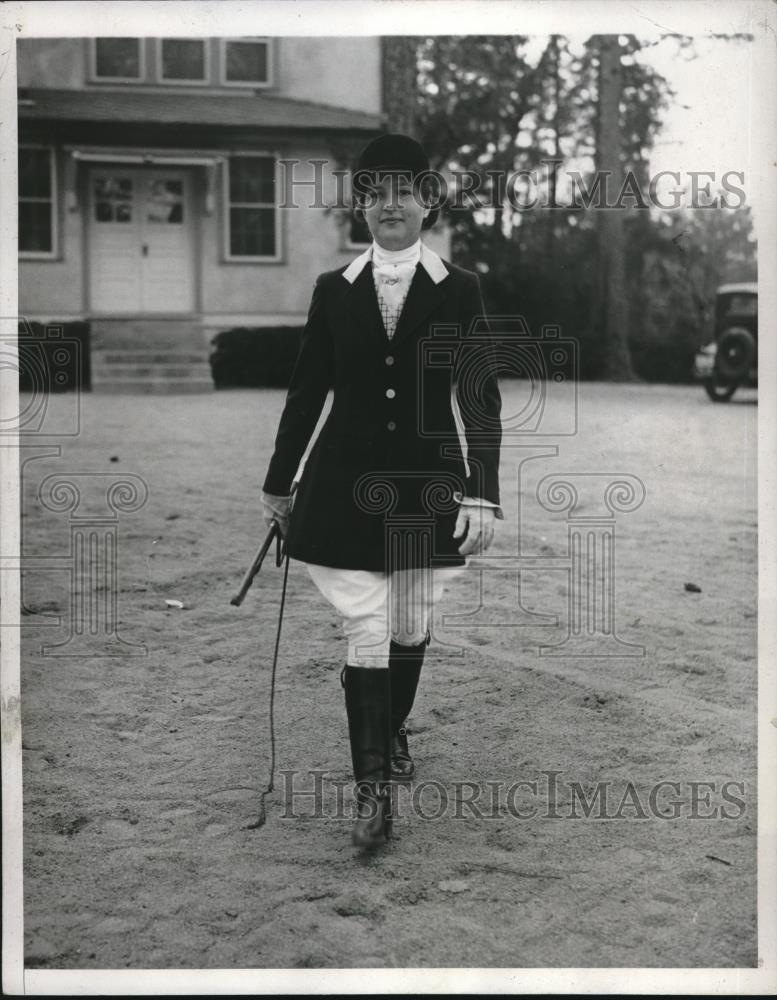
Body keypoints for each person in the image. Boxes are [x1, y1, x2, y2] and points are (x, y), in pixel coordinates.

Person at [261, 133, 502, 849]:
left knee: (408, 621)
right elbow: (305, 394)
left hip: (430, 486)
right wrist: (279, 483)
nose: (387, 204)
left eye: (403, 190)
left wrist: (479, 492)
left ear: (427, 202)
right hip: (343, 486)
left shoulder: (460, 290)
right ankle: (373, 797)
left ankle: (391, 729)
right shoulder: (333, 291)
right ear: (360, 206)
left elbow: (479, 397)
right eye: (373, 193)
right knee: (366, 627)